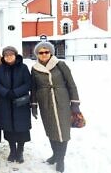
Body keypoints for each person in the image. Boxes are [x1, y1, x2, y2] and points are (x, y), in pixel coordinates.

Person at [31, 41, 81, 173]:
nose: (44, 54)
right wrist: (34, 105)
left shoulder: (60, 65)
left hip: (62, 101)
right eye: (41, 52)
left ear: (51, 52)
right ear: (37, 54)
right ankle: (55, 154)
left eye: (46, 52)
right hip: (45, 102)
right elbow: (33, 87)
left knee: (63, 131)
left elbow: (71, 84)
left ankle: (61, 159)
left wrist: (75, 104)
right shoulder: (35, 68)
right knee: (51, 129)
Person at [0, 46, 31, 163]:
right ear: (3, 57)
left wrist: (15, 92)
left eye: (11, 55)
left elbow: (28, 83)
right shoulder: (0, 68)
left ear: (15, 55)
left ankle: (20, 152)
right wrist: (6, 92)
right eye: (6, 55)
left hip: (20, 103)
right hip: (5, 103)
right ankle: (12, 151)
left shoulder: (23, 68)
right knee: (9, 129)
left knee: (21, 129)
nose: (9, 57)